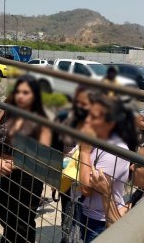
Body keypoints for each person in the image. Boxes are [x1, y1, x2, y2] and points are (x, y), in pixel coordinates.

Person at [0, 75, 52, 243]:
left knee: (22, 222)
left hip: (28, 176)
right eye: (18, 91)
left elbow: (43, 154)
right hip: (3, 172)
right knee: (4, 215)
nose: (20, 96)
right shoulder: (6, 110)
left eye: (26, 92)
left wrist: (16, 164)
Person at [78, 93, 139, 243]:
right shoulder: (97, 139)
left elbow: (87, 189)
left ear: (110, 123)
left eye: (94, 117)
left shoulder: (116, 150)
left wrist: (84, 151)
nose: (87, 120)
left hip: (100, 221)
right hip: (87, 213)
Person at [51, 85, 92, 243]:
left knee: (81, 215)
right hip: (67, 174)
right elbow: (58, 146)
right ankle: (66, 237)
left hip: (85, 176)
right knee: (68, 211)